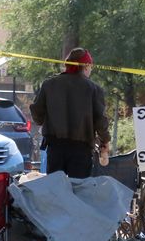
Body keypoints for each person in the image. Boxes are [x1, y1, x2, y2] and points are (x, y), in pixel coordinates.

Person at [29, 47, 111, 178]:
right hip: (81, 151)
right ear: (86, 66)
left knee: (56, 191)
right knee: (78, 191)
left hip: (55, 148)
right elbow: (100, 121)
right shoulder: (93, 89)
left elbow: (37, 114)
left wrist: (49, 119)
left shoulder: (49, 85)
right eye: (90, 67)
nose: (90, 70)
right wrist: (105, 141)